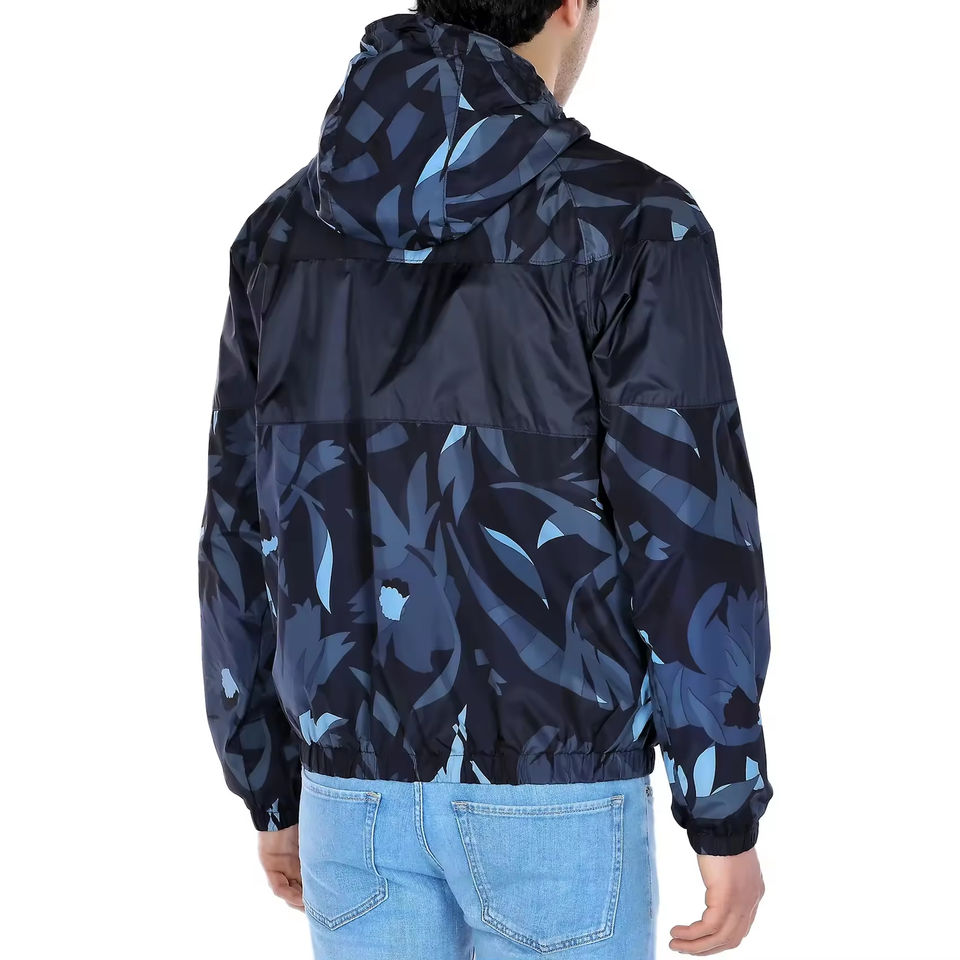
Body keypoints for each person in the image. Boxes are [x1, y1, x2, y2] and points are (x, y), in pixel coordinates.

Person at [197, 2, 773, 957]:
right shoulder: (634, 224)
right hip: (561, 797)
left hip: (349, 798)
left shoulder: (281, 236)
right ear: (571, 7)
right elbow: (685, 530)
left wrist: (267, 780)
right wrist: (722, 806)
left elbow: (237, 524)